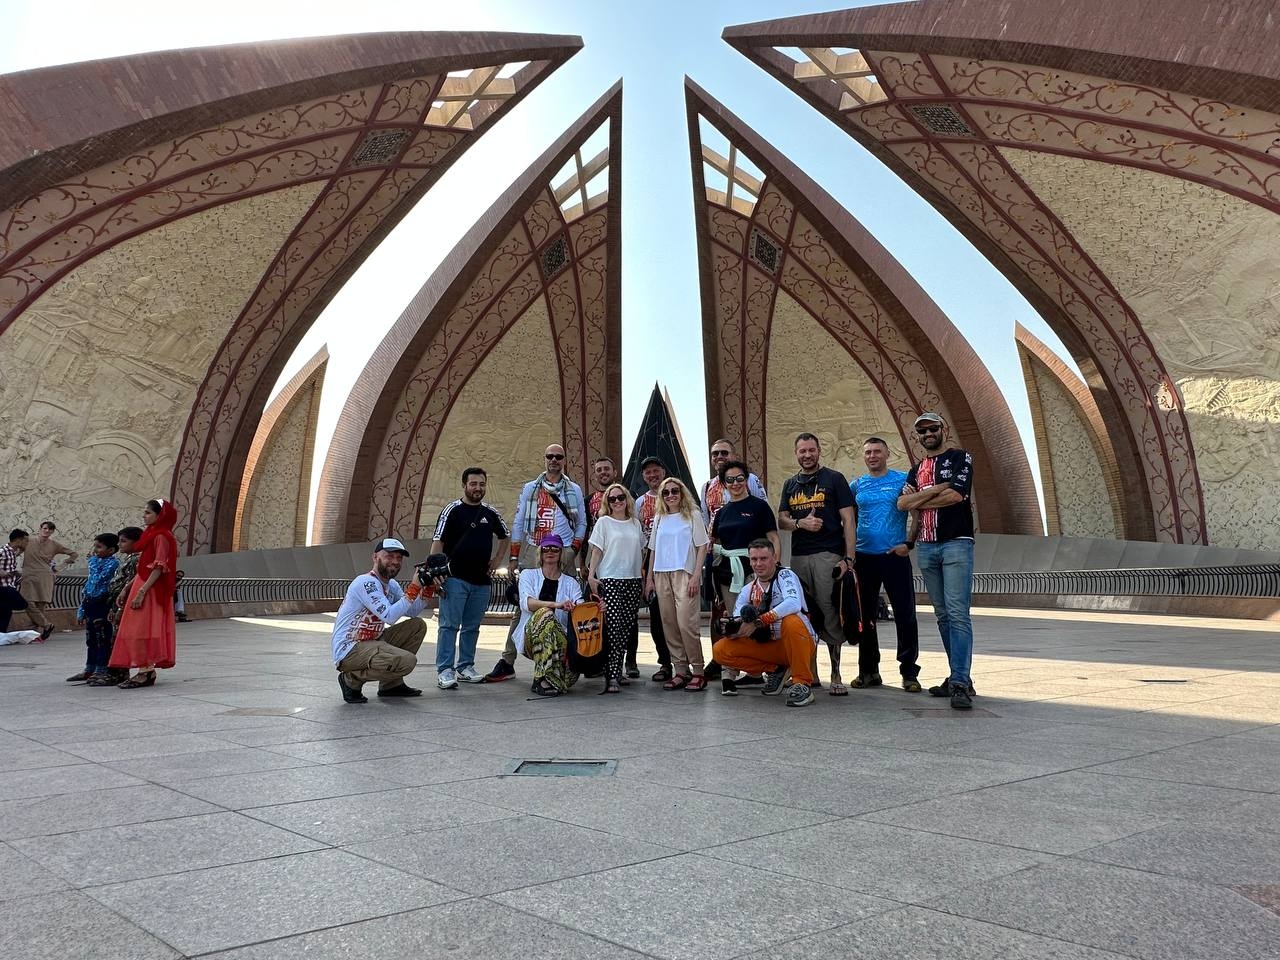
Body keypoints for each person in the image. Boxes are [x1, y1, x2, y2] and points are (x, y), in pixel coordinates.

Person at [485, 443, 587, 682]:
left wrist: (572, 550)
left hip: (564, 548)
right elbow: (519, 522)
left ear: (564, 460)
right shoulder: (530, 488)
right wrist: (514, 556)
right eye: (550, 456)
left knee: (572, 602)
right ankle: (507, 660)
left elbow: (582, 522)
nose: (554, 460)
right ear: (545, 459)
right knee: (523, 604)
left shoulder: (573, 489)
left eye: (558, 456)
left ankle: (573, 656)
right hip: (534, 548)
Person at [897, 412, 977, 710]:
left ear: (944, 429)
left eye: (932, 428)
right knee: (943, 615)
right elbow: (902, 504)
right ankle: (959, 676)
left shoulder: (960, 457)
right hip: (927, 546)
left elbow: (956, 496)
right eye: (922, 431)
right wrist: (937, 488)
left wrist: (921, 498)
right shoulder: (916, 469)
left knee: (958, 613)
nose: (928, 434)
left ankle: (959, 681)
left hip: (956, 542)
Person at [777, 433, 856, 695]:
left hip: (828, 554)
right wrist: (801, 523)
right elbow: (782, 520)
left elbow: (849, 520)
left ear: (819, 451)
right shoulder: (790, 484)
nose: (807, 455)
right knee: (804, 613)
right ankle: (809, 672)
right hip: (799, 556)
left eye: (811, 450)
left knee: (828, 609)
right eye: (802, 451)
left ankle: (836, 673)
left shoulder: (834, 479)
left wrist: (849, 558)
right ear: (796, 453)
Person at [712, 538, 819, 707]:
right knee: (720, 650)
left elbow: (793, 603)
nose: (758, 564)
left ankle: (802, 683)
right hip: (773, 646)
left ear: (774, 558)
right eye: (754, 559)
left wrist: (760, 621)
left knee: (791, 621)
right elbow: (739, 618)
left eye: (763, 558)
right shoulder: (748, 589)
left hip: (801, 642)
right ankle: (776, 670)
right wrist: (732, 628)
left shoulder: (785, 575)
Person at [430, 467, 509, 689]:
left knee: (472, 627)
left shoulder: (490, 513)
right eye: (473, 484)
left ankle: (465, 666)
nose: (478, 488)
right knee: (449, 626)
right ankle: (445, 670)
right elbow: (438, 541)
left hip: (481, 581)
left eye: (482, 484)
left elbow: (505, 535)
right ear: (464, 485)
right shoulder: (452, 510)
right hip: (454, 578)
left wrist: (497, 560)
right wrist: (436, 573)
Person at [851, 438, 921, 691]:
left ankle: (909, 672)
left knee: (905, 614)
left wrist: (909, 543)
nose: (872, 456)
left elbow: (917, 513)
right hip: (863, 557)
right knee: (865, 616)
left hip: (894, 556)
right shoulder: (856, 485)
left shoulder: (903, 480)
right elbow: (848, 519)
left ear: (887, 454)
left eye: (877, 451)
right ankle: (868, 671)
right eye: (868, 452)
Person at [331, 538, 434, 704]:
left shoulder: (391, 584)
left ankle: (391, 685)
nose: (395, 561)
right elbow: (389, 616)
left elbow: (412, 611)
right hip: (350, 648)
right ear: (375, 557)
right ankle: (351, 679)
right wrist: (414, 587)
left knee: (417, 626)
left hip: (374, 640)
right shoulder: (366, 583)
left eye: (399, 558)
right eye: (389, 556)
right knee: (407, 662)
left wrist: (429, 588)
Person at [645, 478, 709, 691]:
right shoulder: (659, 518)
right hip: (661, 573)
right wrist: (649, 579)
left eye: (675, 491)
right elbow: (653, 549)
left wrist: (696, 575)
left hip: (684, 572)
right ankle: (680, 669)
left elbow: (702, 546)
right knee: (669, 623)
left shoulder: (693, 515)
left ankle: (698, 670)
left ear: (682, 493)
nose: (671, 495)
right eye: (666, 492)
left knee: (686, 623)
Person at [108, 500, 178, 689]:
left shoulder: (162, 536)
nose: (144, 516)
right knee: (135, 629)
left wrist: (141, 591)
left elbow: (159, 567)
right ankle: (145, 670)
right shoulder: (151, 534)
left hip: (151, 590)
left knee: (143, 630)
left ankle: (146, 671)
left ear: (160, 515)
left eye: (148, 512)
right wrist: (127, 588)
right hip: (143, 584)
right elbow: (144, 568)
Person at [586, 481, 644, 693]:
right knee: (613, 628)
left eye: (620, 497)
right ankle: (610, 675)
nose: (617, 501)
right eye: (612, 499)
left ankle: (618, 670)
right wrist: (591, 575)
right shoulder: (604, 522)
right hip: (610, 578)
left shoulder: (635, 523)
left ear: (627, 499)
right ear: (607, 502)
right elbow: (596, 550)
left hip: (633, 579)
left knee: (626, 628)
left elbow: (642, 549)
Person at [515, 534, 584, 697]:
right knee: (545, 614)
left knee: (566, 681)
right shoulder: (528, 575)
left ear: (561, 553)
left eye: (555, 549)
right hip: (532, 637)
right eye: (546, 548)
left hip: (561, 639)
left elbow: (581, 608)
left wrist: (596, 608)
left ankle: (552, 676)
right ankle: (540, 678)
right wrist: (556, 605)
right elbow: (527, 603)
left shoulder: (571, 583)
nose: (550, 552)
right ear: (540, 553)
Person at [634, 456, 674, 681]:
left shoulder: (674, 495)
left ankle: (685, 663)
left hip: (674, 558)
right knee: (657, 616)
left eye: (655, 470)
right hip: (651, 559)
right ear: (643, 476)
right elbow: (638, 535)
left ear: (663, 472)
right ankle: (665, 663)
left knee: (680, 617)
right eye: (647, 472)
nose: (652, 475)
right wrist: (642, 569)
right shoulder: (640, 502)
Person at [68, 532, 119, 684]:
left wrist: (92, 563)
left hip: (102, 603)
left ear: (111, 550)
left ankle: (101, 669)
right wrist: (81, 610)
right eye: (95, 546)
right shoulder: (96, 561)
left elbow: (98, 579)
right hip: (90, 602)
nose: (95, 550)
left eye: (99, 547)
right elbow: (89, 586)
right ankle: (89, 668)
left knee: (102, 638)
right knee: (91, 639)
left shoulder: (113, 563)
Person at [92, 526, 141, 686]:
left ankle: (118, 673)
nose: (120, 544)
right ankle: (117, 672)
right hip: (117, 604)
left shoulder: (136, 560)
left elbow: (131, 584)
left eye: (124, 541)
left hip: (124, 606)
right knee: (115, 639)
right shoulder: (129, 559)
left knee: (119, 641)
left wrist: (120, 609)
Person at [18, 520, 76, 637]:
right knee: (26, 601)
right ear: (40, 529)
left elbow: (73, 554)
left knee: (40, 604)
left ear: (52, 532)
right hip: (28, 575)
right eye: (45, 528)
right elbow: (16, 551)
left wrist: (61, 566)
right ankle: (46, 625)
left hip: (45, 576)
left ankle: (34, 634)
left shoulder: (54, 545)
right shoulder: (28, 541)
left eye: (50, 529)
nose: (47, 531)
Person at [700, 439, 766, 534]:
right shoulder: (707, 487)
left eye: (724, 453)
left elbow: (763, 510)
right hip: (718, 541)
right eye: (715, 454)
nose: (719, 457)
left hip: (747, 539)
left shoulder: (749, 479)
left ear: (734, 456)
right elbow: (706, 520)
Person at [1, 529, 51, 639]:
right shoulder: (3, 550)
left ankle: (2, 633)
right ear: (19, 540)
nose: (27, 543)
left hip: (9, 586)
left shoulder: (12, 552)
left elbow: (8, 565)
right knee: (23, 603)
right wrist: (2, 572)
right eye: (26, 541)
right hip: (4, 588)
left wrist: (14, 573)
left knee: (6, 610)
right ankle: (46, 625)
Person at [586, 456, 618, 534]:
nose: (603, 472)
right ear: (595, 476)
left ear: (615, 473)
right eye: (599, 470)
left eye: (606, 469)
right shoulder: (588, 500)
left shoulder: (626, 496)